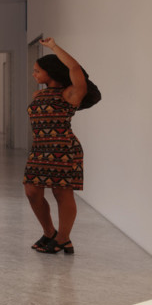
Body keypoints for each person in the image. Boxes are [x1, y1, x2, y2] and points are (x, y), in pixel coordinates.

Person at [25, 38, 101, 255]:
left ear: (51, 72)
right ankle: (49, 232)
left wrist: (54, 47)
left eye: (37, 70)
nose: (34, 74)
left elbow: (75, 68)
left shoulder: (70, 93)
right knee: (31, 191)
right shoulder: (38, 94)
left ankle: (64, 238)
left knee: (62, 193)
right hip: (39, 149)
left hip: (63, 150)